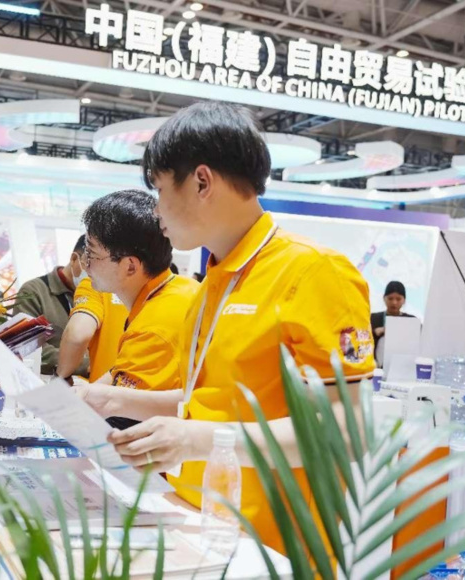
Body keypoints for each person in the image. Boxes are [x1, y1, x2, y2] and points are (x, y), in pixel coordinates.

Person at [77, 102, 375, 554]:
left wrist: (198, 440)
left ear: (201, 181)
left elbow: (344, 429)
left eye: (159, 189)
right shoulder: (209, 288)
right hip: (198, 522)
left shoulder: (314, 272)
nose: (156, 211)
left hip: (274, 546)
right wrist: (112, 398)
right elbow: (213, 400)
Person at [72, 190, 198, 398]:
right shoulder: (181, 288)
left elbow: (122, 415)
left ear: (130, 266)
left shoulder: (152, 327)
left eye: (92, 254)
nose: (86, 265)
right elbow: (117, 376)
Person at [14, 236, 89, 376]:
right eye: (88, 264)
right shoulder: (34, 291)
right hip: (48, 385)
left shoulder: (102, 296)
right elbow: (29, 347)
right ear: (74, 259)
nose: (92, 272)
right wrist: (88, 365)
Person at [57, 276, 128, 383]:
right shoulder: (159, 288)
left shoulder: (95, 284)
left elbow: (77, 334)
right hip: (153, 392)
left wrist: (62, 375)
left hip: (104, 394)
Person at [371, 280, 418, 367]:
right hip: (375, 368)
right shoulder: (373, 318)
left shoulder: (412, 321)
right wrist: (375, 332)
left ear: (404, 300)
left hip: (404, 367)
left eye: (398, 299)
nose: (394, 302)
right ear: (384, 298)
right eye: (390, 298)